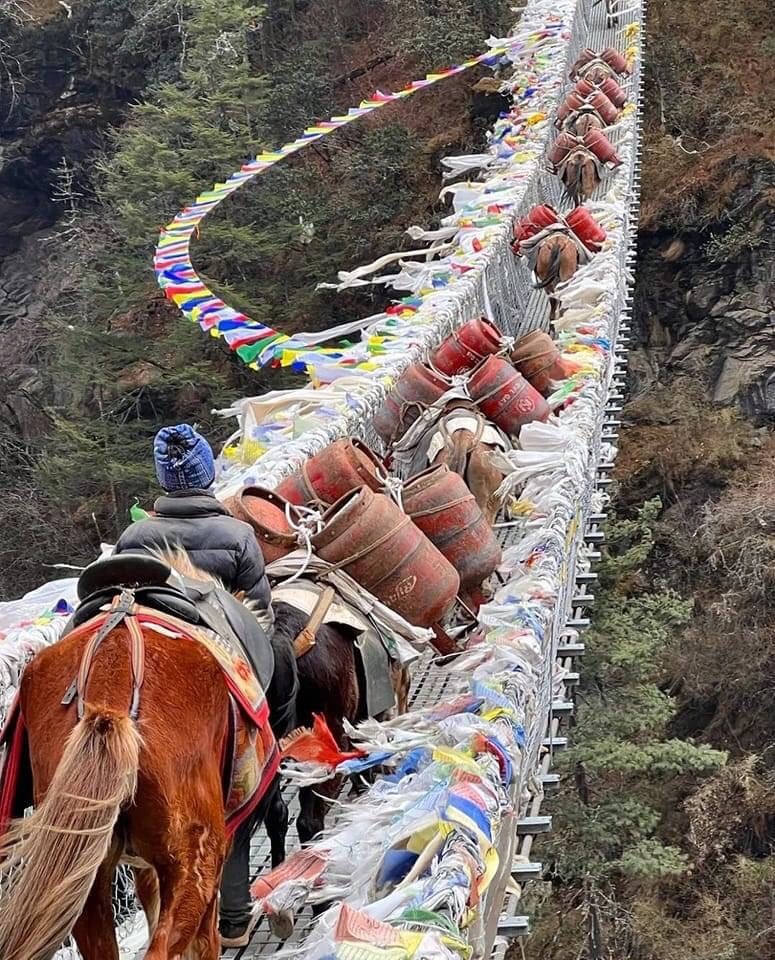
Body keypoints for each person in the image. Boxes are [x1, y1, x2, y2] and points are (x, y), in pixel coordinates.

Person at [114, 423, 288, 947]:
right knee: (240, 764)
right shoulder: (238, 537)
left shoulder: (133, 537)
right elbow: (261, 621)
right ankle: (233, 912)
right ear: (209, 473)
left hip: (142, 665)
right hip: (214, 659)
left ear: (164, 479)